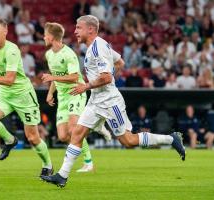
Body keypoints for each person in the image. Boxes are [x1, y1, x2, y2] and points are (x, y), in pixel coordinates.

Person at [40, 15, 186, 187]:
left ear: (91, 29)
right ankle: (62, 176)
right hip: (96, 100)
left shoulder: (97, 48)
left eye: (79, 28)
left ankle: (171, 139)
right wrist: (99, 83)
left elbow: (107, 77)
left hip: (110, 102)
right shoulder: (98, 46)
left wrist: (87, 86)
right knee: (77, 133)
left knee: (128, 141)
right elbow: (120, 62)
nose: (75, 31)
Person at [0, 18, 53, 176]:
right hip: (6, 94)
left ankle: (47, 164)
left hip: (23, 95)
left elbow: (9, 79)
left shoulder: (12, 50)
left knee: (33, 137)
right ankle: (10, 140)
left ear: (5, 32)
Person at [41, 22, 112, 172]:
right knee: (62, 136)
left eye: (45, 34)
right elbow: (55, 77)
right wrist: (50, 93)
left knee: (74, 129)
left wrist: (52, 77)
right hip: (62, 97)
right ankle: (95, 126)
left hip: (76, 93)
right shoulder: (48, 54)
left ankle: (88, 162)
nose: (43, 37)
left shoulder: (68, 54)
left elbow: (73, 77)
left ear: (52, 37)